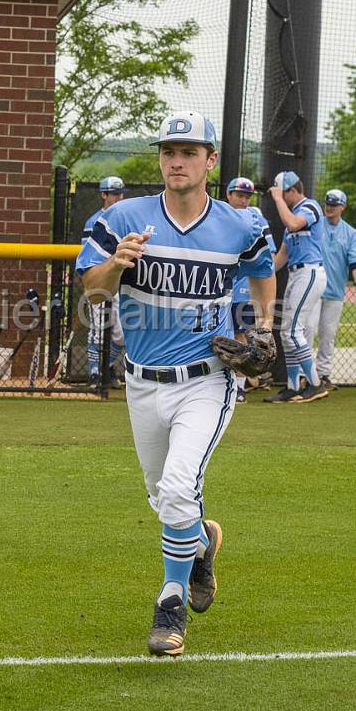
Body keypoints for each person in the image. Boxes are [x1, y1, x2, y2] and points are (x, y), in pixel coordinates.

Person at [77, 111, 276, 656]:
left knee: (177, 484)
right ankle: (201, 550)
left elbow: (261, 270)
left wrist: (264, 325)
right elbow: (93, 293)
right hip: (141, 382)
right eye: (169, 151)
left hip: (207, 380)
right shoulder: (124, 220)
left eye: (190, 151)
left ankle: (170, 605)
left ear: (211, 161)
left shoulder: (242, 223)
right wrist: (117, 265)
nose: (177, 160)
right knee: (162, 496)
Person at [265, 171, 330, 403]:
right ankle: (293, 387)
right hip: (296, 273)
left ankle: (315, 383)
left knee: (293, 331)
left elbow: (293, 224)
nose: (277, 198)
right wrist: (259, 272)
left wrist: (278, 199)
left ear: (292, 190)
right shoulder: (291, 217)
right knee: (286, 332)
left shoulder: (309, 207)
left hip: (310, 271)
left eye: (282, 193)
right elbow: (282, 256)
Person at [223, 176, 277, 401]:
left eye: (247, 196)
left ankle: (240, 387)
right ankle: (225, 383)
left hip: (244, 287)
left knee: (242, 333)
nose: (244, 200)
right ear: (229, 195)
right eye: (240, 195)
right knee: (224, 335)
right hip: (223, 287)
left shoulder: (256, 218)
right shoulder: (220, 215)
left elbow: (268, 257)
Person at [314, 188, 356, 390]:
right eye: (327, 203)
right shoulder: (316, 224)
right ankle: (305, 375)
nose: (329, 207)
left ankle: (323, 375)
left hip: (335, 290)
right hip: (313, 289)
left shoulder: (350, 233)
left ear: (342, 207)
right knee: (308, 331)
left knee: (328, 333)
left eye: (334, 205)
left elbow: (355, 262)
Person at [83, 175, 127, 385]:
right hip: (101, 281)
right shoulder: (93, 221)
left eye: (120, 194)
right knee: (99, 328)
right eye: (113, 194)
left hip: (120, 283)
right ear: (104, 195)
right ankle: (94, 373)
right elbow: (87, 260)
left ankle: (105, 366)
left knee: (120, 335)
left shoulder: (124, 218)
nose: (118, 198)